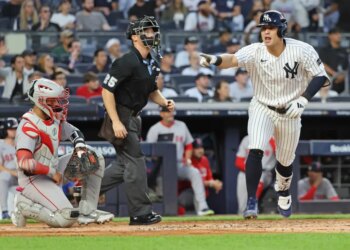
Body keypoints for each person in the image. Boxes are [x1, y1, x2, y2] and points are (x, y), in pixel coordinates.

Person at [199, 10, 330, 219]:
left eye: (270, 28)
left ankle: (284, 191)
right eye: (263, 28)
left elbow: (320, 76)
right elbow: (232, 59)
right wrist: (214, 59)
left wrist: (303, 100)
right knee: (256, 148)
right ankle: (252, 202)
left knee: (285, 161)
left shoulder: (302, 50)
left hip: (290, 111)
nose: (266, 32)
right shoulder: (255, 51)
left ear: (281, 29)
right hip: (262, 106)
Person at [99, 16, 174, 226]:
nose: (151, 35)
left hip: (134, 117)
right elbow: (106, 91)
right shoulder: (126, 61)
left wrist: (163, 102)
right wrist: (115, 121)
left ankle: (85, 188)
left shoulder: (151, 61)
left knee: (124, 166)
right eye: (146, 31)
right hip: (121, 115)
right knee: (136, 162)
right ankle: (140, 213)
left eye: (153, 31)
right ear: (134, 37)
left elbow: (151, 90)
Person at [11, 78, 114, 228]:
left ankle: (87, 211)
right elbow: (24, 163)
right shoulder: (28, 126)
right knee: (66, 218)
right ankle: (24, 205)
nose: (58, 104)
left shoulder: (54, 119)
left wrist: (79, 146)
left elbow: (74, 132)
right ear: (41, 100)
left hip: (54, 169)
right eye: (53, 100)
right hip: (33, 180)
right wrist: (52, 172)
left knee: (93, 157)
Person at [146, 108, 214, 216]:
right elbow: (149, 151)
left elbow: (189, 145)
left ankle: (203, 207)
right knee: (160, 193)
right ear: (161, 114)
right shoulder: (155, 129)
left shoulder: (181, 125)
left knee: (195, 173)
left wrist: (187, 158)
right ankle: (160, 213)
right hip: (161, 167)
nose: (171, 113)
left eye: (172, 111)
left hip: (178, 163)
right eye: (167, 111)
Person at [235, 135, 276, 214]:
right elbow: (238, 162)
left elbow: (281, 157)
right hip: (245, 172)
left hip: (265, 172)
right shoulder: (247, 139)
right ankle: (245, 213)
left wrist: (273, 142)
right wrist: (251, 170)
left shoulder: (274, 139)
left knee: (259, 177)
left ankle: (252, 204)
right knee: (242, 208)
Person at [318, 28, 349, 94]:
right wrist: (335, 74)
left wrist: (343, 76)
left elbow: (347, 66)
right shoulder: (324, 50)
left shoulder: (344, 51)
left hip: (343, 82)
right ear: (330, 36)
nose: (339, 36)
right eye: (336, 34)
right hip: (328, 82)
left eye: (339, 34)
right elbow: (321, 64)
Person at [0, 117, 18, 219]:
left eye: (15, 129)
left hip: (22, 174)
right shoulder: (0, 145)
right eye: (11, 129)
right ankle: (5, 211)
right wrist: (12, 172)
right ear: (5, 130)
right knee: (3, 177)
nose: (14, 131)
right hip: (9, 174)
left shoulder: (21, 144)